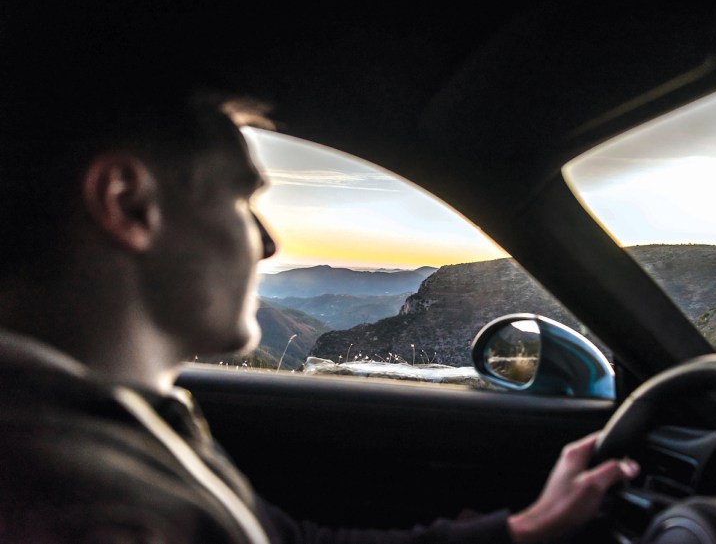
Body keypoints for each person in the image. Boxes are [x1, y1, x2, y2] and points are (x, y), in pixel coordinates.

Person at [0, 58, 639, 543]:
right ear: (127, 203)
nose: (268, 243)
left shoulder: (119, 424)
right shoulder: (88, 509)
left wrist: (520, 531)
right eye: (242, 199)